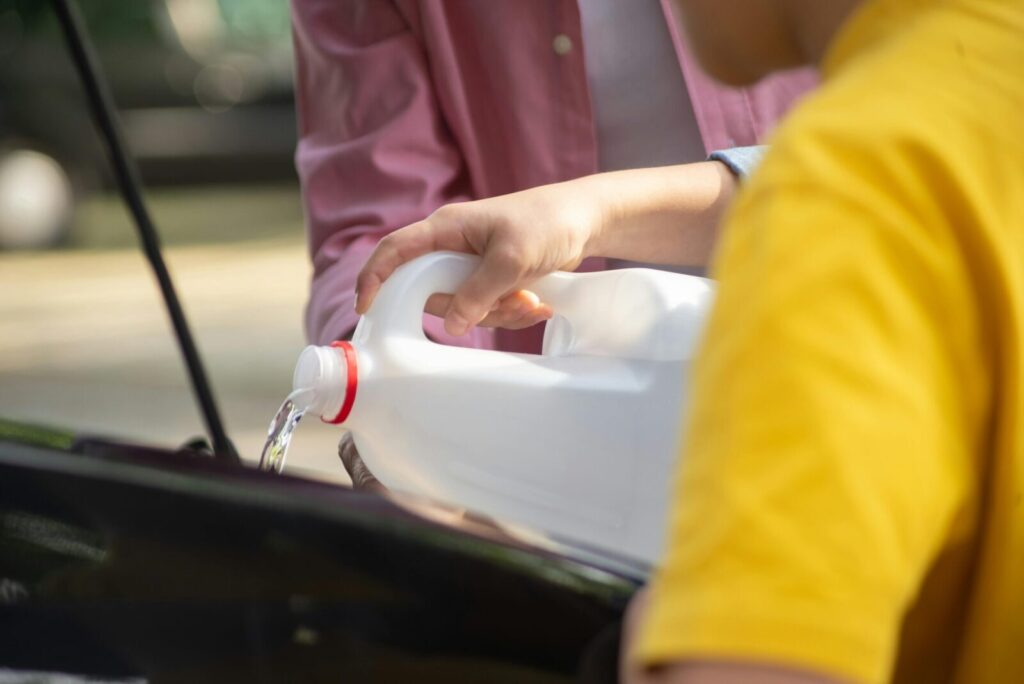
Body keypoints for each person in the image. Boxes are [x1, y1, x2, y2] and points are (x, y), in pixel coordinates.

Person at [355, 0, 1024, 682]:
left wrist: (670, 637)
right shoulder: (988, 87)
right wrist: (595, 209)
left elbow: (762, 664)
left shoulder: (842, 203)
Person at [290, 0, 815, 351]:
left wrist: (595, 211)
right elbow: (378, 222)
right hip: (571, 430)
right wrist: (397, 391)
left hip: (828, 371)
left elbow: (876, 172)